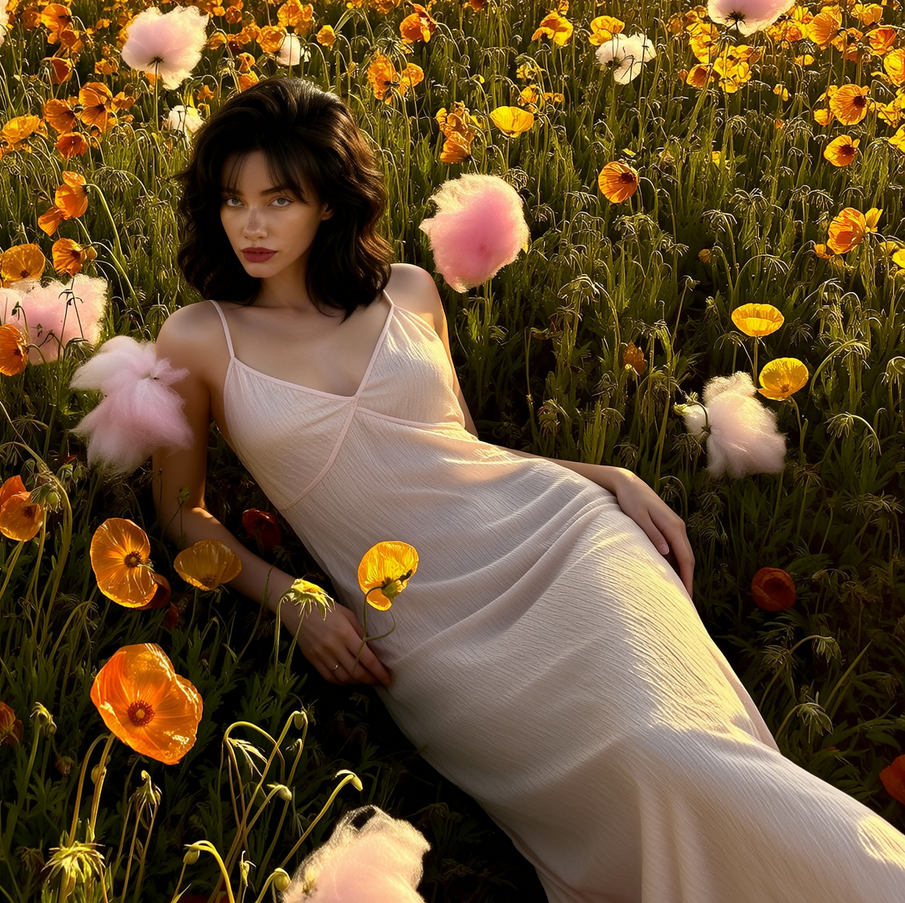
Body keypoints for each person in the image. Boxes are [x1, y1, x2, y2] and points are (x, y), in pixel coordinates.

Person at [150, 77, 905, 903]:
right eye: (232, 200)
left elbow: (461, 447)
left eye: (278, 199)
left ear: (328, 202)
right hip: (425, 626)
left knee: (680, 741)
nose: (251, 224)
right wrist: (293, 596)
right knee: (642, 760)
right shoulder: (199, 340)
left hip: (561, 535)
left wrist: (608, 478)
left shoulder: (407, 290)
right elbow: (180, 511)